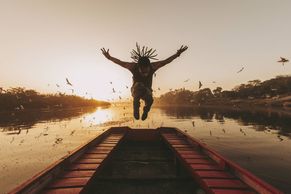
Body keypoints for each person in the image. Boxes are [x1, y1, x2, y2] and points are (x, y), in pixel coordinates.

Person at [101, 43, 188, 120]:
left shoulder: (153, 66)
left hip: (147, 91)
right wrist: (109, 57)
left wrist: (177, 54)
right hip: (136, 90)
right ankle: (136, 107)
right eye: (142, 72)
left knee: (150, 100)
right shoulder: (132, 66)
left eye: (146, 71)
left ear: (149, 67)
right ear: (138, 67)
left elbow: (166, 61)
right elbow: (120, 62)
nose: (145, 74)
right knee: (139, 85)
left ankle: (145, 110)